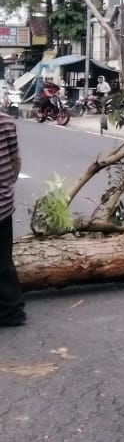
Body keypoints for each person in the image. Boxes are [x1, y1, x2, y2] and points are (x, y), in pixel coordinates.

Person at [0, 106, 24, 326]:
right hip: (3, 205)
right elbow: (15, 160)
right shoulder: (7, 122)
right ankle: (12, 308)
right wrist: (7, 184)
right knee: (3, 260)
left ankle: (11, 311)